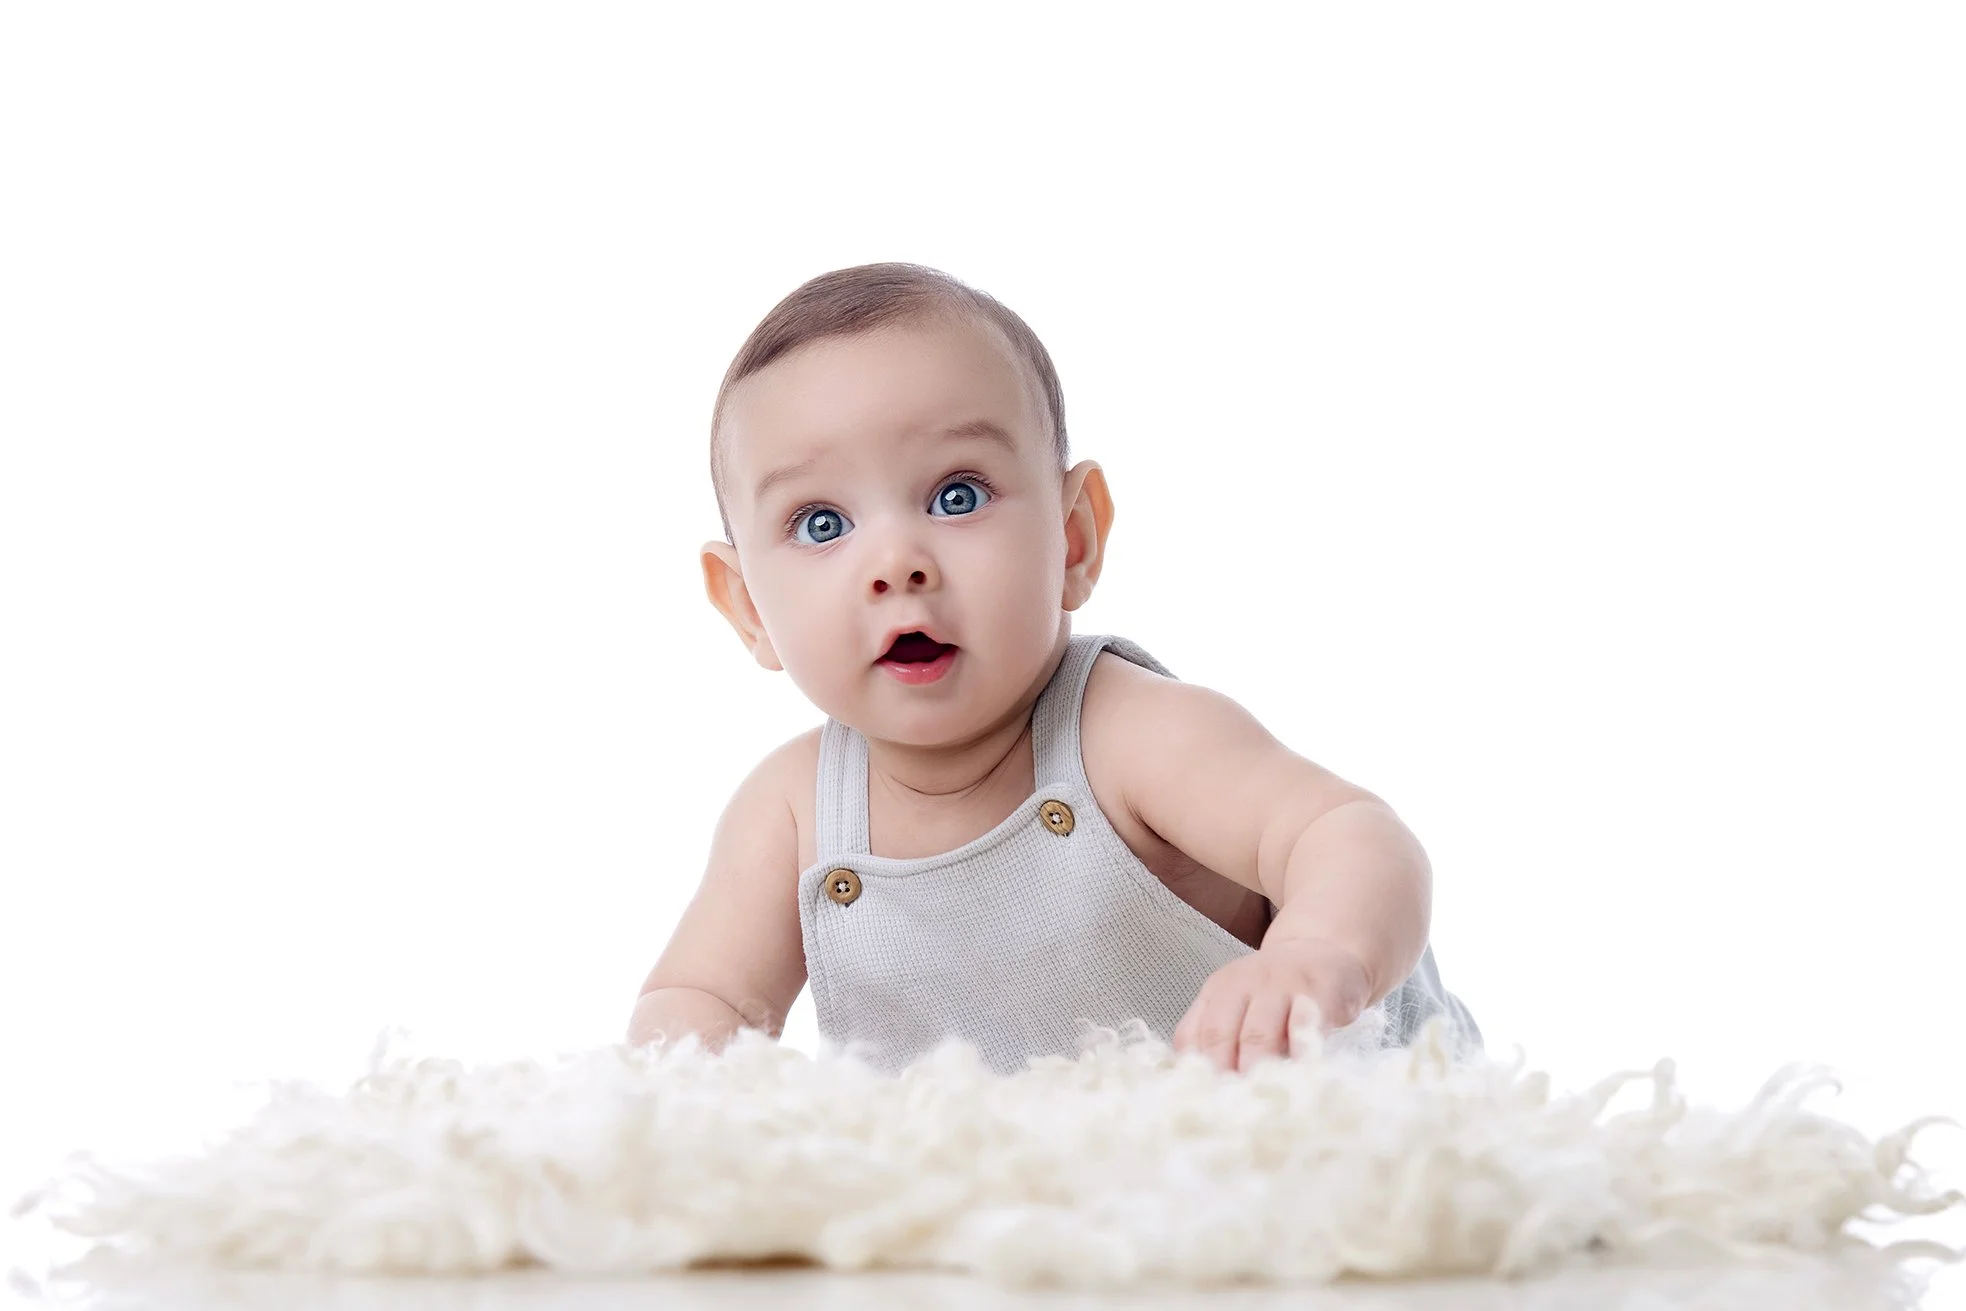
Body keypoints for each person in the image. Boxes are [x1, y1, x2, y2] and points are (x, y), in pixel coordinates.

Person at [626, 262, 1480, 1076]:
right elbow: (699, 994)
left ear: (1074, 540)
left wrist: (1317, 953)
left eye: (956, 495)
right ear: (746, 606)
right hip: (1039, 1199)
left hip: (1325, 1126)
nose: (896, 562)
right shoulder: (793, 812)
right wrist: (686, 1082)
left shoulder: (1129, 734)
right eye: (820, 523)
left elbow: (1350, 833)